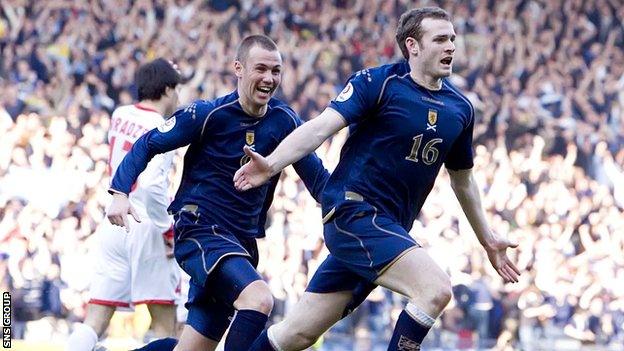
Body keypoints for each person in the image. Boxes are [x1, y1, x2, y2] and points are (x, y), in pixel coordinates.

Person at [234, 7, 521, 351]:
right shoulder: (377, 83)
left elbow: (463, 180)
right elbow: (320, 128)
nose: (451, 47)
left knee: (295, 334)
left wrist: (487, 239)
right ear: (412, 46)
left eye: (453, 40)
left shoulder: (460, 108)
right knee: (435, 289)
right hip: (354, 214)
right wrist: (271, 165)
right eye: (441, 39)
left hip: (389, 230)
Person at [106, 35, 329, 351]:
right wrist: (119, 191)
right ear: (238, 68)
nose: (269, 78)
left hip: (240, 243)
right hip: (200, 231)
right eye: (260, 69)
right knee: (259, 299)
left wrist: (352, 204)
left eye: (276, 71)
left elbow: (319, 180)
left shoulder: (286, 122)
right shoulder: (207, 115)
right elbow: (147, 143)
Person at [66, 58, 182, 351]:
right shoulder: (163, 126)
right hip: (146, 225)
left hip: (113, 221)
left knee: (96, 318)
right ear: (168, 90)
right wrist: (168, 229)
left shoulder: (120, 114)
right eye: (177, 89)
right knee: (164, 323)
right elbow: (154, 186)